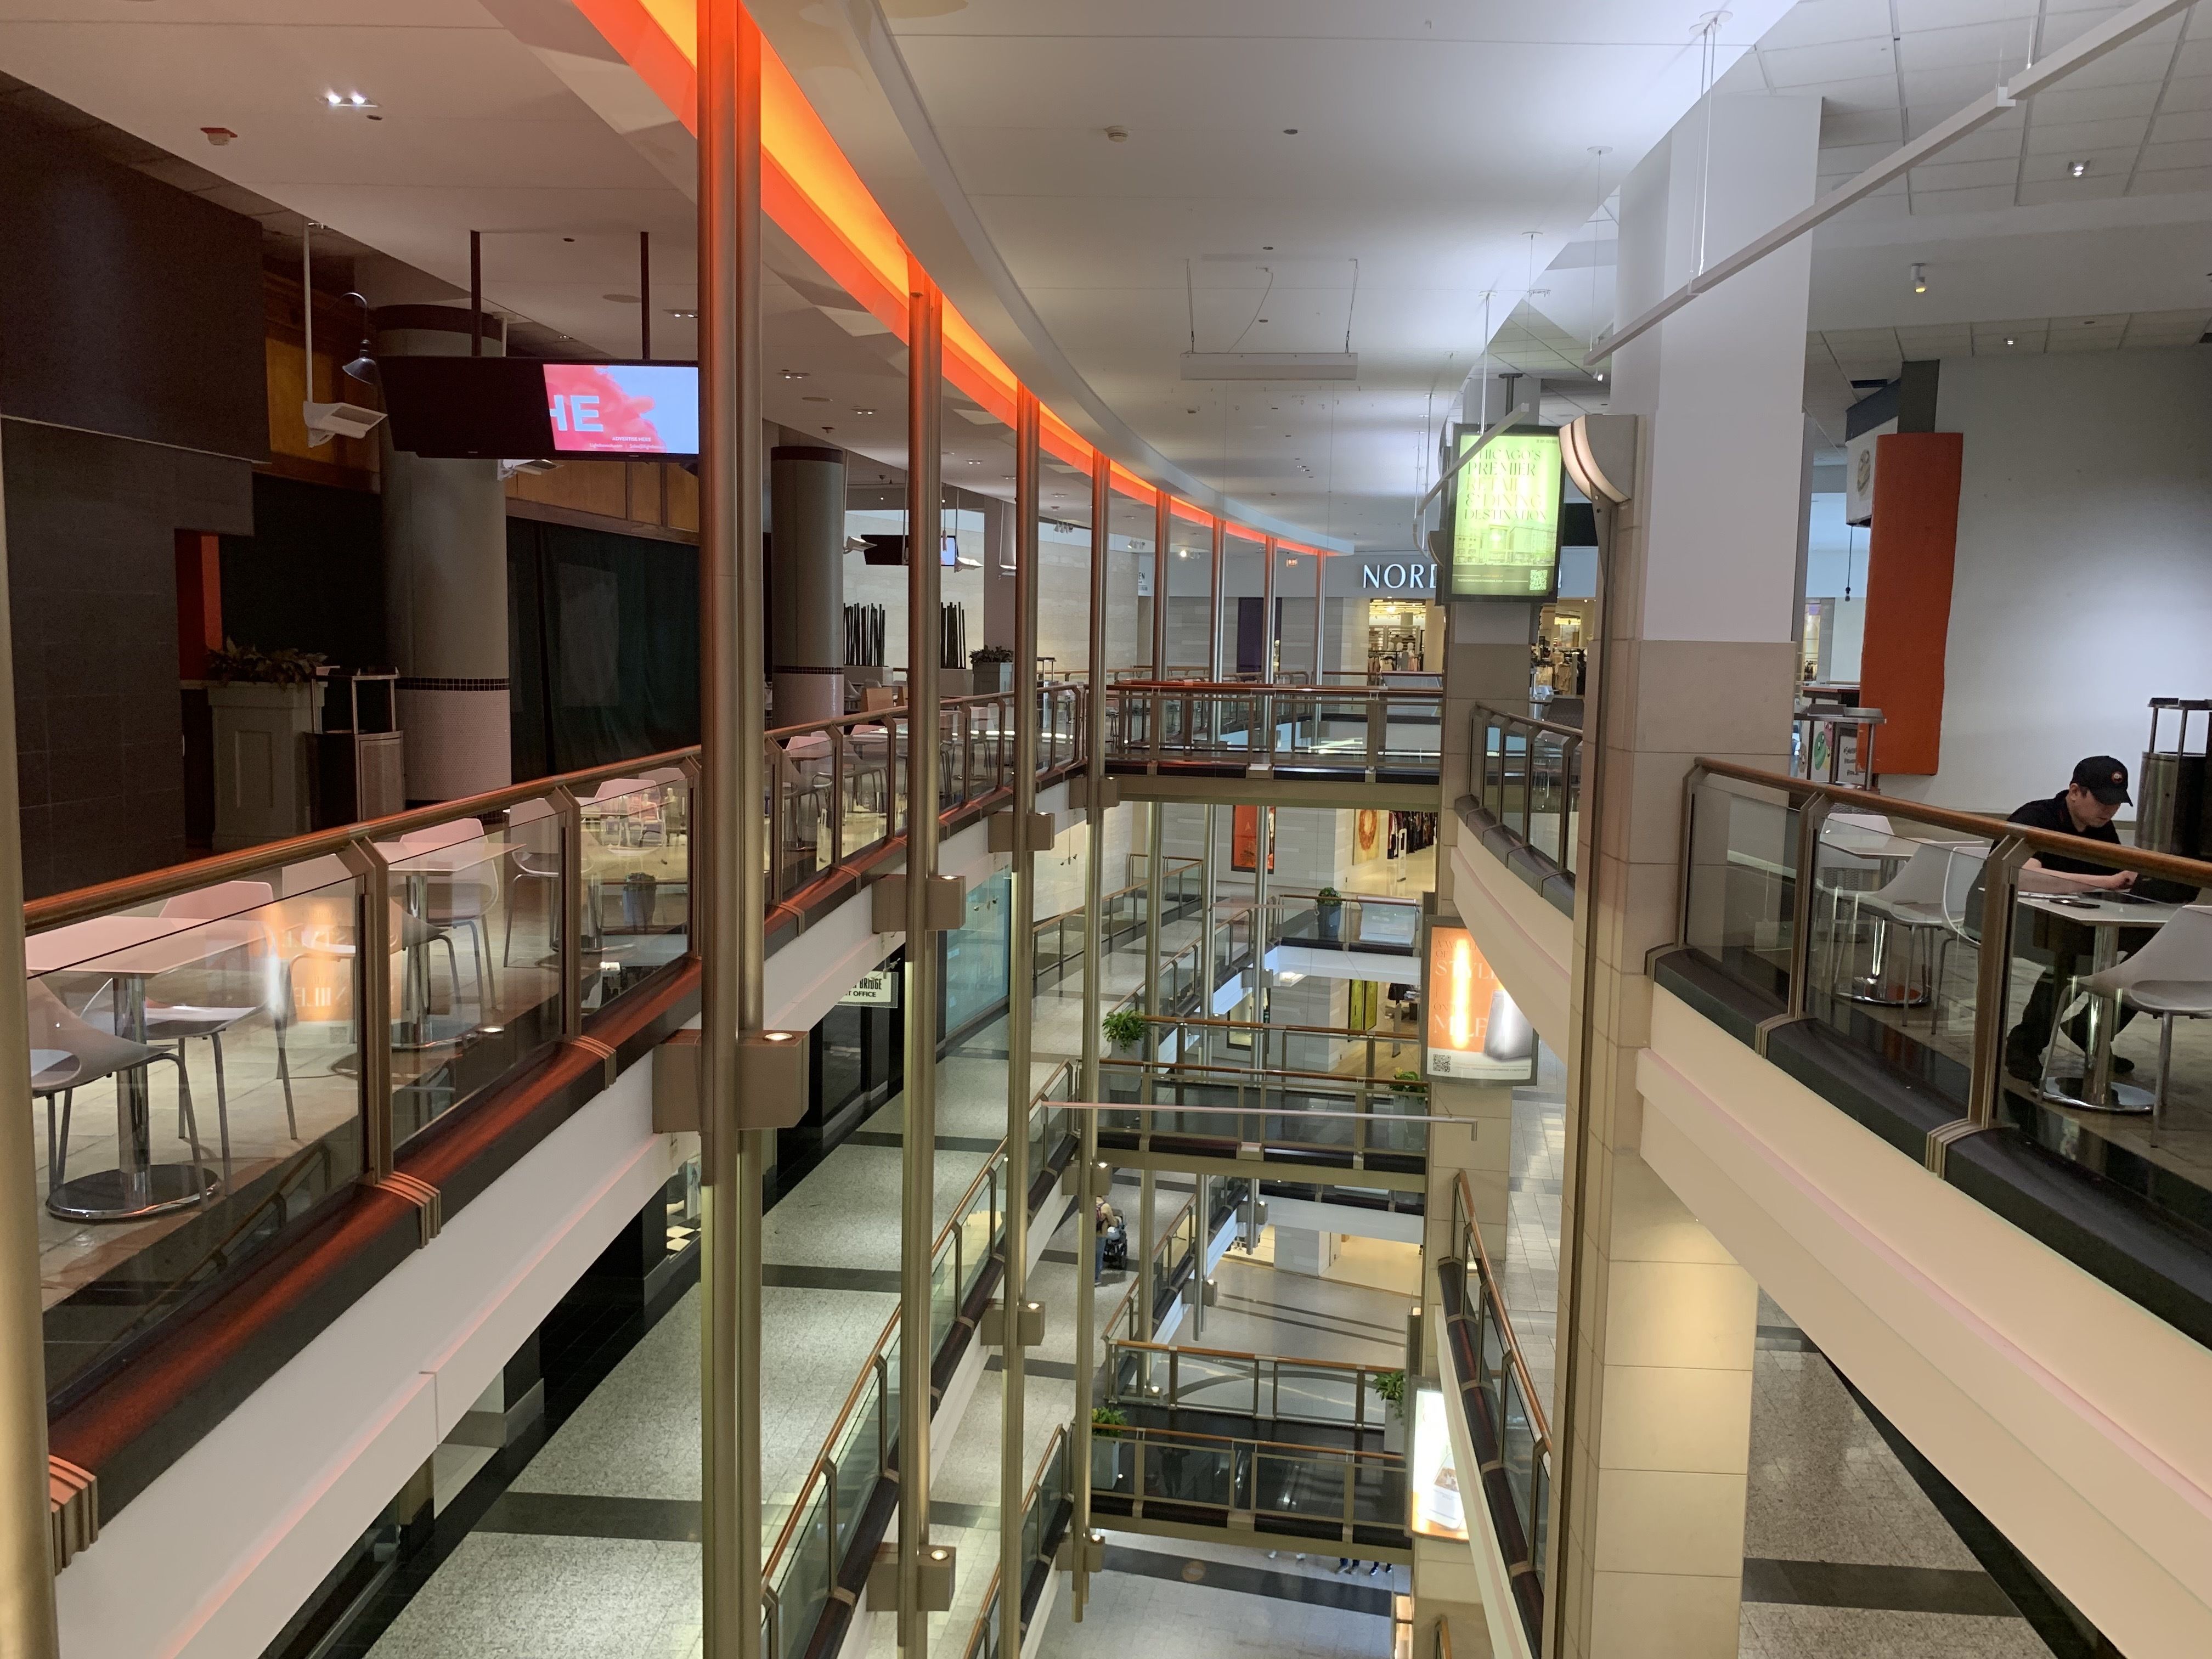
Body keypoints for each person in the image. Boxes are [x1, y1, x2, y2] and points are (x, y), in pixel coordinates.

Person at [2002, 756, 2155, 1082]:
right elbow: (2021, 875)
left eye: (2115, 804)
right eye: (2102, 801)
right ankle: (2026, 1043)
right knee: (2072, 956)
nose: (2109, 811)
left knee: (2151, 950)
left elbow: (2112, 872)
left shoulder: (2102, 829)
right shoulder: (2036, 816)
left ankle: (2093, 1029)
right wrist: (2107, 882)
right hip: (2016, 915)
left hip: (2078, 918)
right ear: (2075, 792)